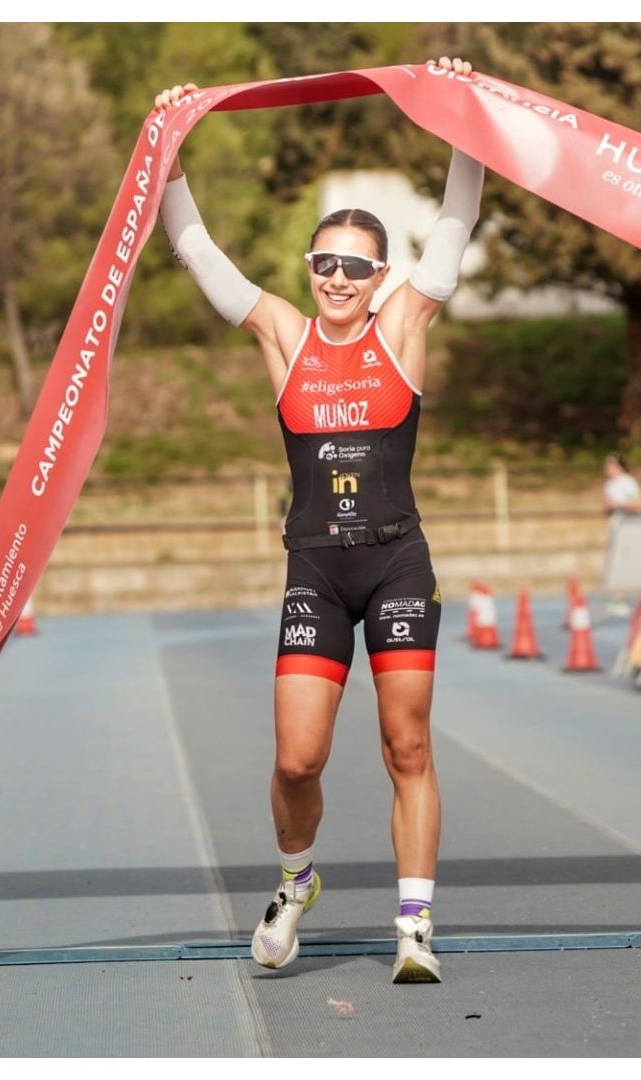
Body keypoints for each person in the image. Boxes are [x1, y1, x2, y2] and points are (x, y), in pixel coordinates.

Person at [154, 57, 487, 984]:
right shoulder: (284, 336)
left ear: (380, 275)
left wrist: (465, 120)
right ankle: (297, 881)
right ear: (309, 269)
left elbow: (455, 229)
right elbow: (200, 256)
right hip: (315, 569)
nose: (337, 278)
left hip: (396, 565)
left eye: (354, 266)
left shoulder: (406, 323)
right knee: (298, 761)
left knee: (405, 744)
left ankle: (414, 927)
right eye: (323, 262)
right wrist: (169, 153)